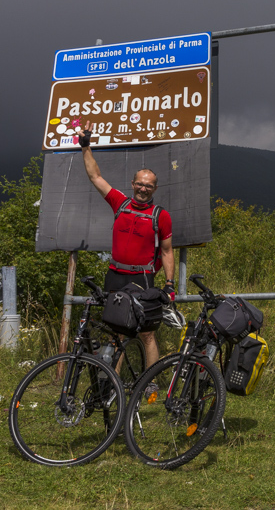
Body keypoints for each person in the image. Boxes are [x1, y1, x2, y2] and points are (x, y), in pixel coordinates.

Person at [77, 120, 174, 369]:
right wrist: (85, 145)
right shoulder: (119, 203)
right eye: (140, 184)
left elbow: (166, 251)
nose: (143, 188)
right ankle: (114, 387)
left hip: (142, 280)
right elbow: (95, 176)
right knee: (116, 332)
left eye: (148, 186)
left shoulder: (160, 215)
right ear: (133, 184)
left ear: (155, 189)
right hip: (115, 276)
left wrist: (170, 285)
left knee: (147, 333)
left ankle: (149, 385)